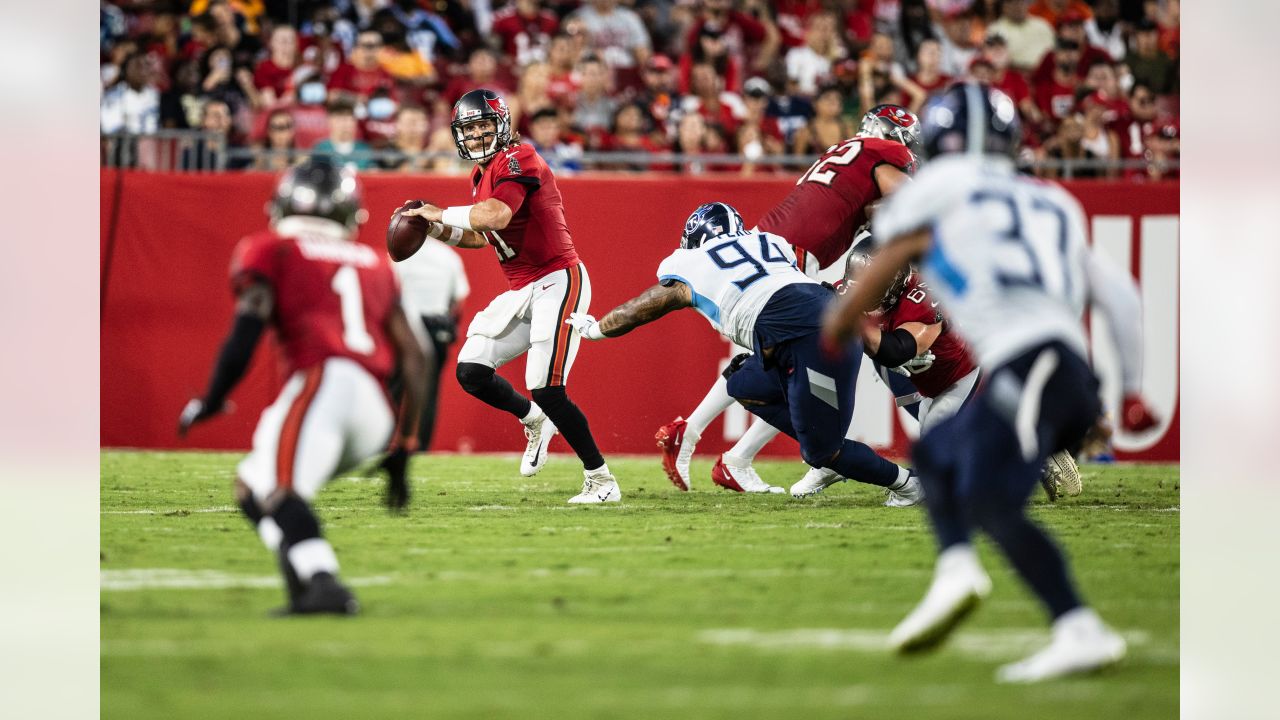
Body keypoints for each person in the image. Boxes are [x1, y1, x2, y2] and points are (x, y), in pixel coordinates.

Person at [825, 82, 1159, 682]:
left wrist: (845, 317)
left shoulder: (927, 192)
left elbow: (891, 251)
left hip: (1030, 363)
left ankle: (1061, 619)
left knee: (986, 496)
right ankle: (982, 583)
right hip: (1059, 366)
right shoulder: (1052, 199)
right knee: (936, 454)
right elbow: (1120, 297)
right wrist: (1129, 390)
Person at [178, 157, 427, 615]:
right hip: (373, 408)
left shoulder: (273, 248)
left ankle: (325, 585)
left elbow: (245, 333)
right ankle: (303, 580)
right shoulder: (375, 262)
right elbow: (416, 357)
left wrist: (213, 397)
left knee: (281, 492)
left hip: (324, 383)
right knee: (251, 487)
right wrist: (404, 445)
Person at [566, 202, 921, 501]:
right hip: (813, 318)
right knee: (743, 383)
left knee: (823, 452)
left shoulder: (690, 264)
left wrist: (595, 330)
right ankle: (827, 442)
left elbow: (640, 307)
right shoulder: (768, 242)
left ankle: (908, 485)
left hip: (810, 335)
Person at [656, 104, 919, 496]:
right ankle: (701, 438)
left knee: (794, 365)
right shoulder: (882, 153)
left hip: (773, 248)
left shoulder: (848, 154)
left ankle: (730, 454)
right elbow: (910, 209)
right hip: (789, 260)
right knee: (812, 355)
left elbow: (867, 210)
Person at [396, 89, 619, 504]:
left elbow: (497, 215)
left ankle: (601, 480)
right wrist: (437, 230)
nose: (478, 134)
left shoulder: (520, 158)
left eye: (484, 125)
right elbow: (484, 235)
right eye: (470, 128)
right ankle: (534, 420)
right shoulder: (480, 175)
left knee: (547, 386)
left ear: (502, 124)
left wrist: (439, 212)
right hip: (523, 289)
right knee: (471, 371)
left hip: (557, 277)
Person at [392, 232, 470, 450]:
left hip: (405, 325)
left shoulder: (400, 254)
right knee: (428, 389)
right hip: (436, 326)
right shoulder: (448, 256)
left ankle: (383, 444)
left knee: (393, 387)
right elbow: (459, 299)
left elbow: (389, 292)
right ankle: (420, 447)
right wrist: (450, 324)